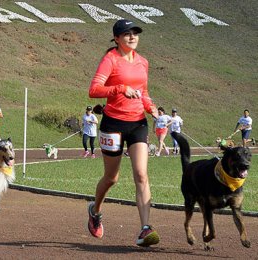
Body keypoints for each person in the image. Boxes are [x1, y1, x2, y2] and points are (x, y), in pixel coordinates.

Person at [87, 19, 160, 247]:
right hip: (113, 124)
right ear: (117, 38)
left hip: (138, 123)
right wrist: (120, 88)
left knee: (141, 174)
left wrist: (151, 108)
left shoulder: (143, 62)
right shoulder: (110, 60)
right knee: (112, 178)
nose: (132, 37)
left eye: (135, 33)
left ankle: (145, 229)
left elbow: (143, 92)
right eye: (126, 34)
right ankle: (95, 211)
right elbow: (94, 90)